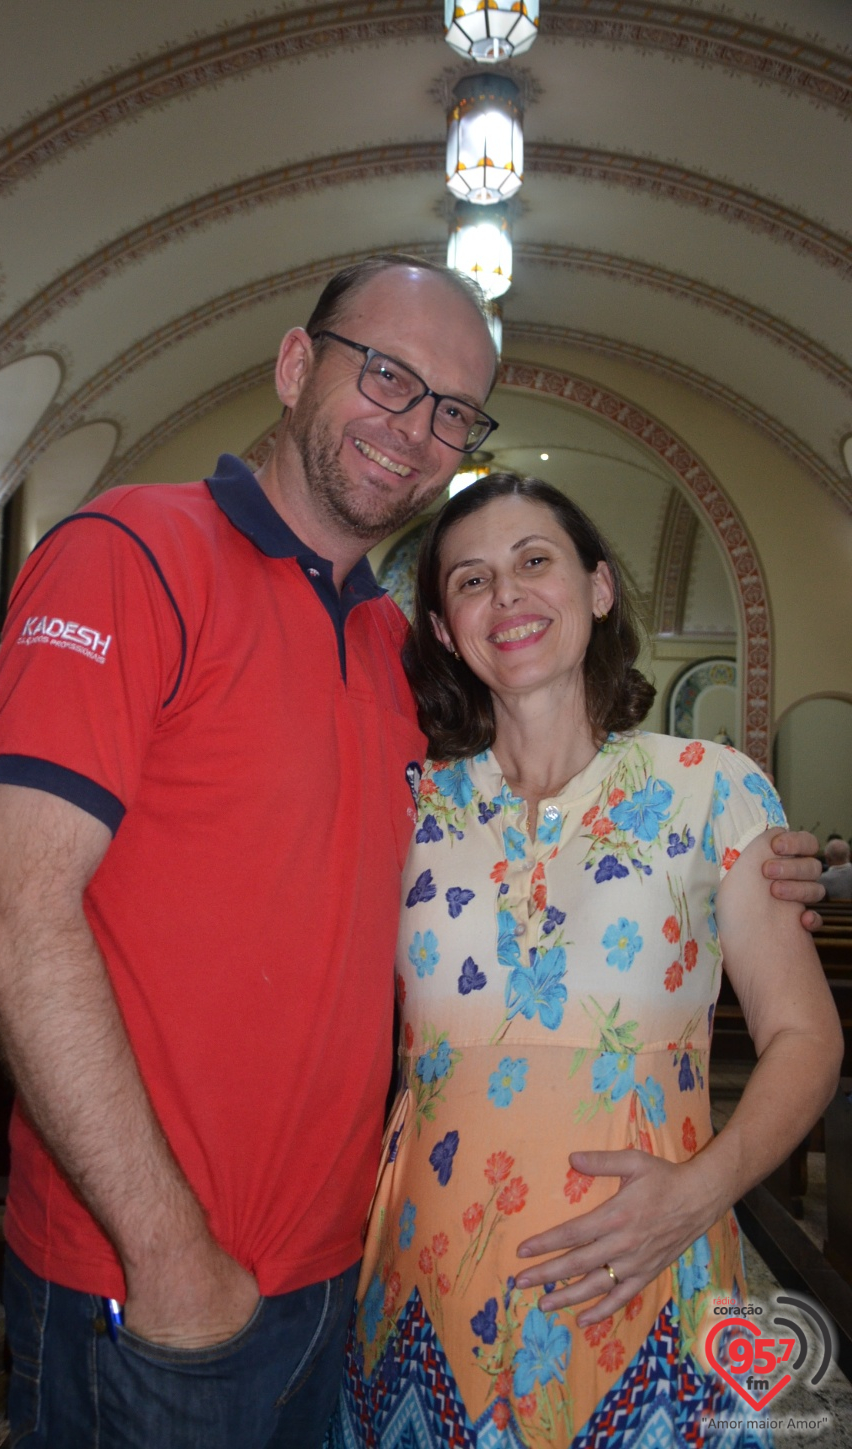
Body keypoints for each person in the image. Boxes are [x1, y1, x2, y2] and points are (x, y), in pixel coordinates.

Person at [0, 259, 824, 1449]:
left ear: (599, 588)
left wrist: (770, 864)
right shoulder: (131, 550)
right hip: (158, 1270)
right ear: (295, 364)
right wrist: (169, 1257)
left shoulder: (385, 660)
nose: (416, 426)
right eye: (387, 375)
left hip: (348, 1280)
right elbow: (16, 907)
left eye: (454, 408)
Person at [331, 476, 842, 1448]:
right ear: (444, 630)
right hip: (430, 1274)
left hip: (648, 1264)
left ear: (599, 588)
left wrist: (702, 1192)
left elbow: (805, 1035)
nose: (508, 595)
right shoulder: (407, 801)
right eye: (471, 580)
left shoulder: (711, 790)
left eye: (535, 561)